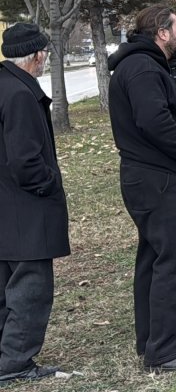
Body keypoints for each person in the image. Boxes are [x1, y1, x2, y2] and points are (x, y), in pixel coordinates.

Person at [107, 5, 176, 373]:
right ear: (161, 33)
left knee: (154, 258)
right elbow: (153, 118)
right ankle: (163, 351)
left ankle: (152, 336)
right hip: (156, 178)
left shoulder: (137, 65)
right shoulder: (144, 67)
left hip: (145, 177)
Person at [0, 24, 67, 385]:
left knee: (5, 287)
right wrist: (47, 185)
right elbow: (26, 161)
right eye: (44, 54)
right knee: (30, 291)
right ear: (37, 55)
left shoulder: (3, 85)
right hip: (25, 210)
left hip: (5, 208)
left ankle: (5, 356)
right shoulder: (21, 94)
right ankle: (15, 364)